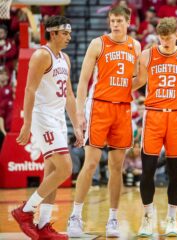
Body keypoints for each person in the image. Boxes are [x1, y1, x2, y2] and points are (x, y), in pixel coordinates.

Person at [67, 5, 141, 238]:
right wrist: (80, 112)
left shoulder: (135, 46)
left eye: (119, 20)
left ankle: (113, 219)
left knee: (116, 167)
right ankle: (75, 216)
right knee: (90, 164)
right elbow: (83, 81)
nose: (115, 24)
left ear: (128, 21)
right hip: (99, 106)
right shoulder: (98, 43)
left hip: (123, 109)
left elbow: (137, 79)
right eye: (112, 20)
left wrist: (125, 88)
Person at [12, 16, 83, 240]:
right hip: (43, 117)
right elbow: (29, 90)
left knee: (52, 171)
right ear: (53, 33)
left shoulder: (66, 58)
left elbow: (69, 95)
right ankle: (24, 211)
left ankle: (43, 226)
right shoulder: (42, 55)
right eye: (65, 33)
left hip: (58, 117)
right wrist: (27, 123)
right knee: (65, 168)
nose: (69, 37)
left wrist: (77, 126)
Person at [130, 17, 177, 237]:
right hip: (153, 116)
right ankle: (148, 217)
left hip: (176, 117)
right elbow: (138, 82)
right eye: (162, 37)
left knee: (174, 173)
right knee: (147, 171)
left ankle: (172, 219)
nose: (165, 41)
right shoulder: (147, 55)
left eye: (169, 37)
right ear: (158, 36)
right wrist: (119, 84)